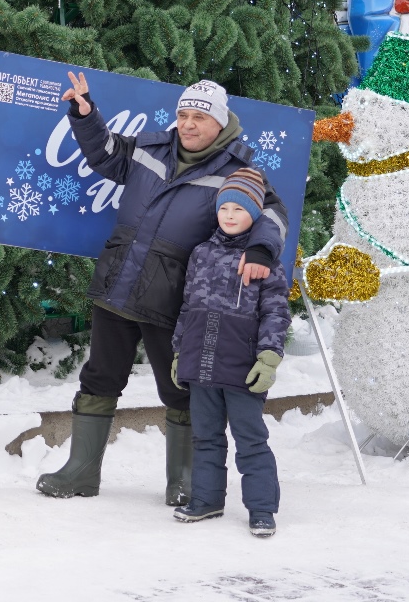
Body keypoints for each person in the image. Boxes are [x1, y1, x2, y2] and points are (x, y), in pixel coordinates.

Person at [36, 73, 288, 506]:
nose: (188, 124)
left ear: (221, 122)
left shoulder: (238, 170)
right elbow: (106, 153)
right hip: (119, 281)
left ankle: (186, 479)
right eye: (183, 115)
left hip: (174, 297)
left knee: (180, 387)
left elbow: (272, 211)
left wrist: (262, 251)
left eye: (199, 117)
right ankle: (81, 472)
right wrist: (85, 116)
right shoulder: (149, 148)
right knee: (99, 376)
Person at [168, 169, 290, 537]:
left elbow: (276, 313)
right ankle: (207, 500)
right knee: (205, 436)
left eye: (240, 208)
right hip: (201, 360)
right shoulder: (201, 254)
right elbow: (188, 307)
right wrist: (179, 352)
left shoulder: (265, 262)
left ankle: (262, 509)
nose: (231, 215)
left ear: (255, 213)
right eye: (225, 208)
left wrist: (269, 357)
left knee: (250, 439)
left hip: (242, 366)